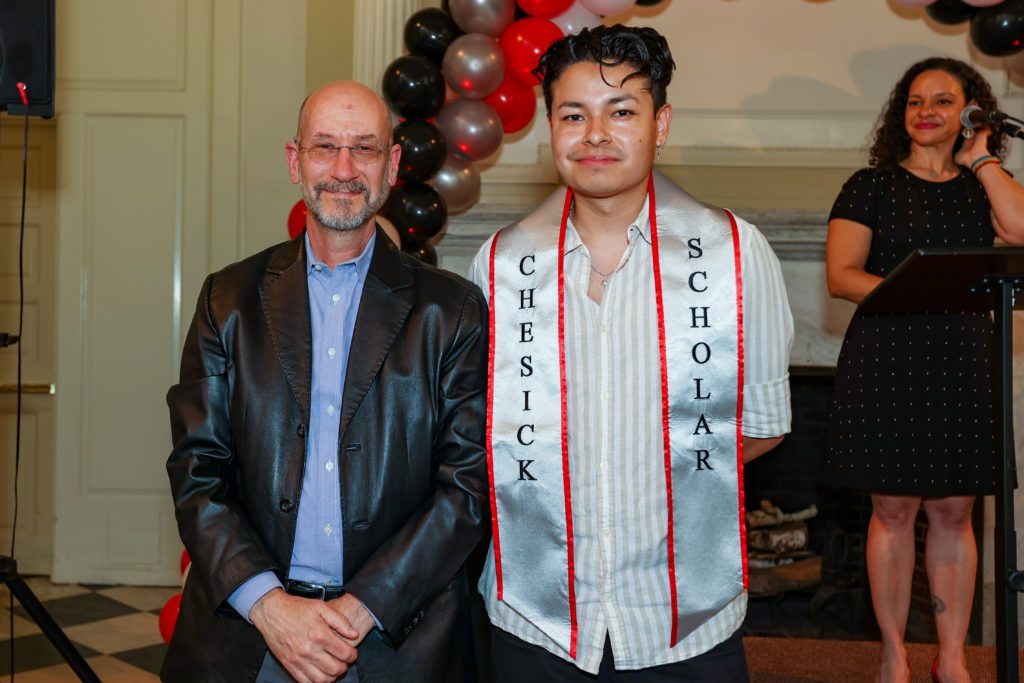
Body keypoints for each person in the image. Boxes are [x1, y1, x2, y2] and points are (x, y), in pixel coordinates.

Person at [469, 25, 793, 681]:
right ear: (551, 129)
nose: (595, 134)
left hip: (683, 629)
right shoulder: (499, 264)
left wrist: (644, 467)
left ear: (660, 122)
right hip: (536, 624)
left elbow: (758, 425)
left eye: (621, 111)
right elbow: (484, 431)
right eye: (573, 114)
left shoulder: (734, 254)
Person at [163, 80, 489, 683]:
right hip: (252, 639)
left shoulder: (454, 311)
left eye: (364, 149)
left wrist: (359, 611)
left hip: (402, 641)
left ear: (391, 166)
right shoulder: (226, 300)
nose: (344, 169)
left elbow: (465, 490)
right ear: (296, 162)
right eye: (324, 147)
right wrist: (271, 607)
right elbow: (197, 471)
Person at [821, 57, 1024, 683]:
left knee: (955, 512)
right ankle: (893, 654)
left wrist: (983, 159)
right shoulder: (871, 185)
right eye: (914, 101)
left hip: (961, 357)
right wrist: (914, 289)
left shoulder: (980, 186)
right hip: (888, 353)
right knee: (892, 511)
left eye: (942, 100)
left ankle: (954, 658)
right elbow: (841, 274)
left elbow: (1020, 232)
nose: (925, 111)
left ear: (971, 111)